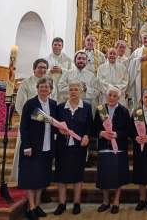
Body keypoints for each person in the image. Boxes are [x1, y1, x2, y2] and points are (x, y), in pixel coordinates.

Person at [17, 77, 57, 220]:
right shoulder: (30, 104)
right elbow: (24, 127)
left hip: (47, 146)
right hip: (33, 147)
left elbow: (55, 125)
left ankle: (37, 204)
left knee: (42, 177)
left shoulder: (53, 104)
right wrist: (26, 145)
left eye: (47, 87)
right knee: (30, 177)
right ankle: (31, 207)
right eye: (41, 87)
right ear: (37, 88)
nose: (44, 89)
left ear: (51, 90)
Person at [12, 59, 55, 185]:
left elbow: (52, 103)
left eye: (44, 68)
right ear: (34, 68)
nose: (42, 70)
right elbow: (20, 104)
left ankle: (42, 183)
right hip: (30, 126)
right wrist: (36, 119)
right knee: (28, 155)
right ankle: (23, 180)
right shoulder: (26, 83)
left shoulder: (49, 83)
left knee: (43, 158)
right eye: (40, 67)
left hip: (46, 128)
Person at [52, 82, 93, 216]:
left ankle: (76, 203)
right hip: (62, 147)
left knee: (77, 176)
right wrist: (58, 130)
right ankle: (62, 204)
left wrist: (87, 136)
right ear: (68, 91)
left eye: (76, 89)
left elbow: (89, 125)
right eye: (71, 89)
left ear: (81, 91)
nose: (73, 92)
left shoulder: (86, 107)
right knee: (61, 175)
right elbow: (53, 125)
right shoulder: (60, 107)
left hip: (79, 147)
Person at [93, 86, 131, 214]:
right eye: (110, 95)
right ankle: (105, 201)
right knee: (104, 177)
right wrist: (101, 133)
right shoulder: (100, 110)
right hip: (104, 148)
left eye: (115, 96)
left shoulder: (124, 111)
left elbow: (129, 131)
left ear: (118, 98)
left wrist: (117, 134)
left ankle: (116, 201)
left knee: (118, 177)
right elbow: (93, 129)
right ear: (106, 96)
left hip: (118, 149)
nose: (112, 98)